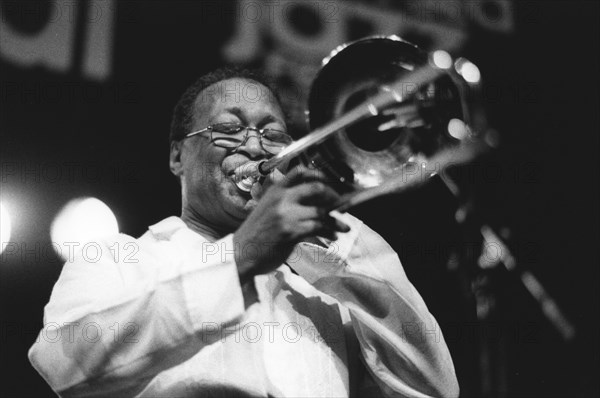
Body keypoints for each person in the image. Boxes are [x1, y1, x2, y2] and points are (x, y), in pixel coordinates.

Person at [28, 67, 459, 397]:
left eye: (273, 135)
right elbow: (66, 364)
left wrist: (330, 241)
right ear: (178, 156)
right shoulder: (118, 257)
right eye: (229, 130)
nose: (254, 147)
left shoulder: (324, 291)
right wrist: (242, 255)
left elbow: (433, 387)